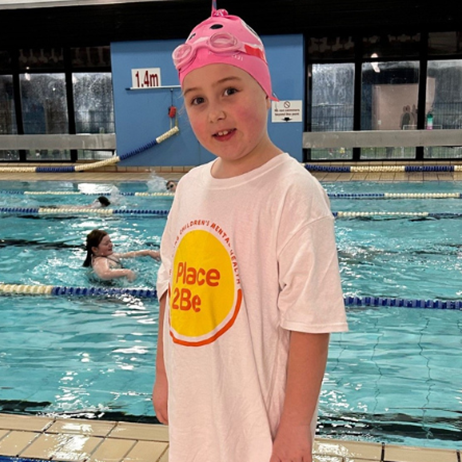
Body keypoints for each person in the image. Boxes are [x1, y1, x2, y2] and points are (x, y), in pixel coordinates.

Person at [152, 6, 348, 462]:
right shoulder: (190, 188)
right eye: (197, 100)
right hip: (195, 404)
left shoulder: (294, 191)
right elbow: (169, 287)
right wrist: (163, 377)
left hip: (259, 416)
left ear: (266, 92)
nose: (215, 112)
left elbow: (311, 320)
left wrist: (297, 428)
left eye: (230, 90)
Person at [83, 229, 160, 282]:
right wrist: (127, 272)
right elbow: (104, 274)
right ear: (95, 249)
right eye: (106, 244)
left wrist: (147, 252)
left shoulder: (108, 255)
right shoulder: (100, 260)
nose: (110, 245)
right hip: (110, 289)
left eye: (110, 242)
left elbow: (128, 255)